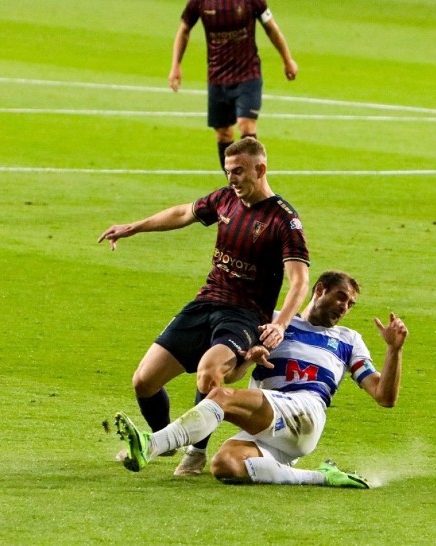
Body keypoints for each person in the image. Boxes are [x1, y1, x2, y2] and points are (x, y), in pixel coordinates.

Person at [98, 138, 309, 476]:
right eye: (228, 172)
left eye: (239, 171)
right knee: (143, 382)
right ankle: (167, 439)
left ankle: (196, 452)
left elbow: (299, 281)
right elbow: (183, 213)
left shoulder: (284, 221)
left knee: (208, 373)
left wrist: (280, 324)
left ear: (261, 169)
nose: (233, 179)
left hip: (242, 316)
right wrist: (132, 228)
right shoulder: (225, 199)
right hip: (206, 302)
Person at [114, 270, 408, 488]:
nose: (344, 307)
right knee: (226, 465)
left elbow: (384, 396)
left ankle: (152, 445)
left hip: (305, 411)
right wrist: (250, 358)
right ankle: (324, 477)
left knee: (220, 398)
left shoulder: (348, 340)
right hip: (269, 425)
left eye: (351, 304)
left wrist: (394, 351)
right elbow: (232, 376)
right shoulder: (275, 321)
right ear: (319, 290)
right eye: (341, 297)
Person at [168, 0, 298, 170]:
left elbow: (271, 27)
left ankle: (255, 184)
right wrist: (175, 65)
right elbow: (184, 30)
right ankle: (235, 187)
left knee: (246, 125)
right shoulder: (200, 2)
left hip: (248, 74)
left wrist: (287, 60)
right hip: (217, 77)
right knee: (223, 134)